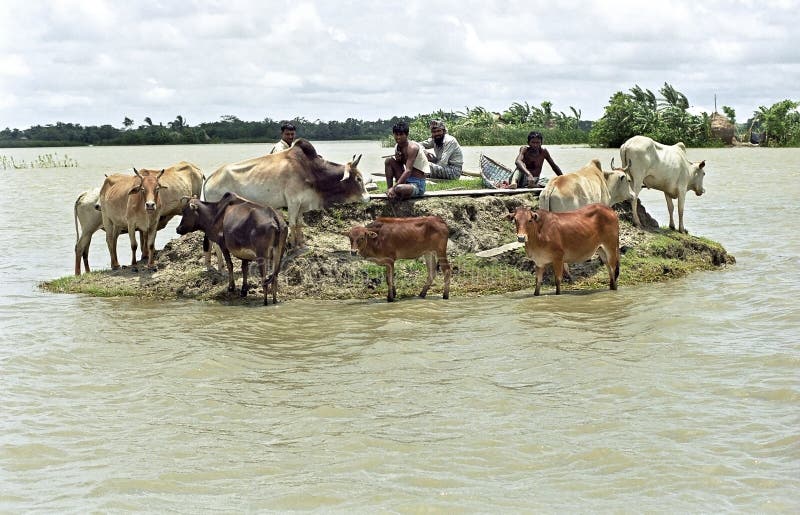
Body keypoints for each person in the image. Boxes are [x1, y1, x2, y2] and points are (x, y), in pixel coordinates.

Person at [384, 121, 429, 199]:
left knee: (398, 189)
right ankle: (389, 190)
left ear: (407, 135)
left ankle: (393, 190)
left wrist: (395, 187)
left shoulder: (412, 148)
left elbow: (408, 170)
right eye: (396, 134)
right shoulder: (397, 146)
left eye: (401, 134)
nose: (398, 137)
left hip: (417, 183)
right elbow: (401, 166)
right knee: (388, 160)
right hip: (406, 181)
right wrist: (399, 160)